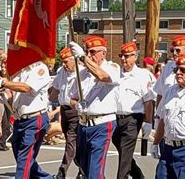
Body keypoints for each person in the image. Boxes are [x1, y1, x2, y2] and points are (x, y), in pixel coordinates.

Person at [69, 36, 120, 178]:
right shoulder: (82, 74)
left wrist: (83, 58)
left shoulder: (112, 67)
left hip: (102, 123)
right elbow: (72, 98)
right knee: (83, 166)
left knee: (95, 169)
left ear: (103, 53)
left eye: (93, 52)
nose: (90, 55)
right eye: (87, 51)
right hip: (84, 123)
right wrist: (77, 105)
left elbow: (103, 76)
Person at [0, 60, 52, 178]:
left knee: (24, 156)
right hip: (20, 120)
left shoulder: (40, 68)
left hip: (34, 118)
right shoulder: (21, 70)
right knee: (21, 154)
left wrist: (3, 82)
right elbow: (13, 91)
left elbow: (26, 88)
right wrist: (4, 96)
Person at [113, 42, 155, 179]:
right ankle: (138, 175)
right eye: (122, 56)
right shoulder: (116, 73)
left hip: (133, 118)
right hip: (115, 118)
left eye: (127, 56)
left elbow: (148, 101)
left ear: (135, 56)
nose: (124, 59)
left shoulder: (142, 75)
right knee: (124, 151)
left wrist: (148, 122)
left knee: (125, 151)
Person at [49, 47, 82, 179]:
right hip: (64, 111)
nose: (64, 64)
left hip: (76, 112)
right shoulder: (61, 72)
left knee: (70, 141)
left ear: (74, 60)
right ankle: (82, 169)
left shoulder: (82, 73)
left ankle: (61, 172)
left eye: (66, 61)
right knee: (73, 143)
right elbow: (55, 91)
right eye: (62, 61)